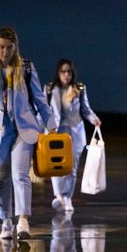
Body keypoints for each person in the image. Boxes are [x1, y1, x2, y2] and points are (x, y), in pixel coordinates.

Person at [0, 27, 57, 240]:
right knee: (2, 179)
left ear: (15, 47)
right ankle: (6, 221)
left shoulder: (25, 67)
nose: (5, 52)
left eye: (9, 47)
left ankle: (23, 220)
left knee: (20, 173)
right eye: (1, 47)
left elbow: (39, 98)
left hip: (24, 129)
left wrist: (51, 125)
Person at [46, 59, 101, 213]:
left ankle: (67, 196)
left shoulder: (79, 89)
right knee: (55, 165)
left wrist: (94, 119)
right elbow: (43, 110)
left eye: (69, 71)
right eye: (63, 71)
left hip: (75, 132)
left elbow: (86, 109)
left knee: (72, 167)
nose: (66, 74)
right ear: (58, 73)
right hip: (56, 132)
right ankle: (58, 196)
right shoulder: (50, 89)